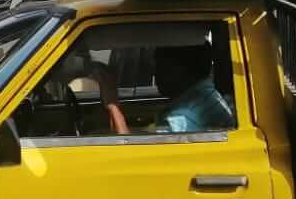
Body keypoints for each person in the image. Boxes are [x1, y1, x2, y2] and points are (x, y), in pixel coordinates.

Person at [97, 44, 233, 135]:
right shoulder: (206, 92)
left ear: (182, 68)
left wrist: (112, 105)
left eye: (161, 65)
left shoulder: (180, 118)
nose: (154, 72)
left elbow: (129, 158)